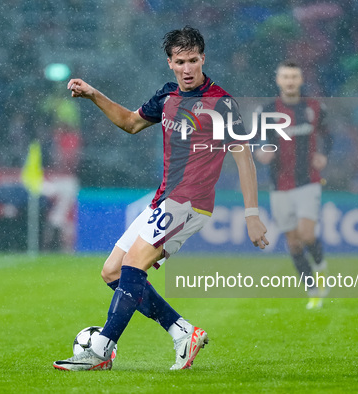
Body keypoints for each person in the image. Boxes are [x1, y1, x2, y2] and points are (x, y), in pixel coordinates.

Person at [54, 26, 269, 371]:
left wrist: (252, 214)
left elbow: (243, 156)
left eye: (193, 60)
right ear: (170, 62)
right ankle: (183, 332)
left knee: (132, 267)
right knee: (112, 272)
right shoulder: (167, 97)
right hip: (163, 200)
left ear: (203, 59)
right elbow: (130, 122)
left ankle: (101, 349)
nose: (187, 69)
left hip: (189, 202)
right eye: (180, 61)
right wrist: (94, 94)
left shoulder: (220, 102)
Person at [254, 61, 333, 310]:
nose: (289, 81)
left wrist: (324, 154)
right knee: (294, 242)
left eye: (294, 77)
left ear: (300, 80)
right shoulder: (267, 110)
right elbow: (258, 140)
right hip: (279, 184)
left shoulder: (313, 107)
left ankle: (321, 270)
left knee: (307, 233)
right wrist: (261, 151)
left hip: (307, 181)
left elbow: (328, 134)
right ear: (278, 80)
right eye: (285, 77)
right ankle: (312, 290)